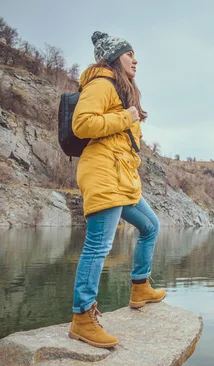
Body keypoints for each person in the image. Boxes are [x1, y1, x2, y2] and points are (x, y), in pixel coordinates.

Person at [68, 31, 166, 348]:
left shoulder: (122, 90)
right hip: (103, 173)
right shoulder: (101, 84)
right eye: (129, 55)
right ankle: (82, 318)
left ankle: (140, 288)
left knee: (150, 226)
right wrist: (126, 117)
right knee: (98, 246)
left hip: (122, 178)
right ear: (114, 59)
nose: (135, 60)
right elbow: (81, 124)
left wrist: (128, 114)